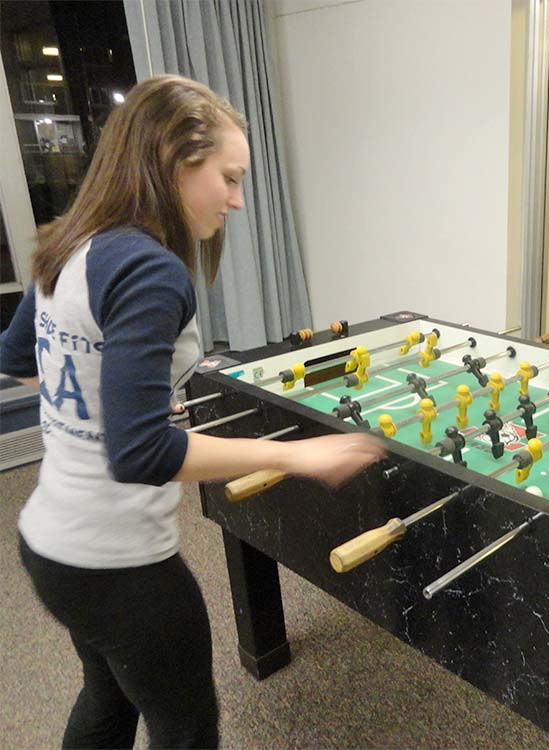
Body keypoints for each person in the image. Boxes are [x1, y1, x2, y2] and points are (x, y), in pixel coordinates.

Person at [0, 75, 384, 748]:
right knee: (187, 732)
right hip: (119, 564)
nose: (237, 200)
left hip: (51, 546)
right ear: (176, 162)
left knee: (109, 696)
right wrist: (296, 454)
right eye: (229, 178)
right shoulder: (150, 269)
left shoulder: (71, 242)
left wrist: (91, 385)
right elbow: (142, 452)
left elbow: (16, 357)